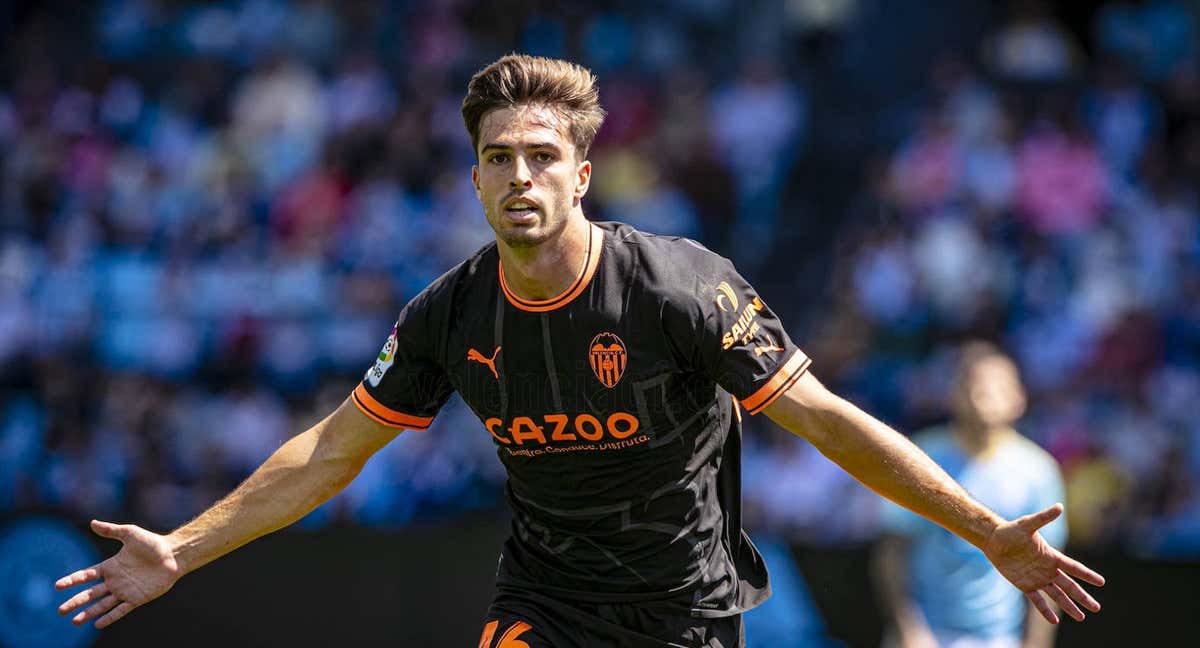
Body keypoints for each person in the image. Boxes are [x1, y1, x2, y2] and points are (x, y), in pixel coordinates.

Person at [55, 55, 1103, 648]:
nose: (520, 176)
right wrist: (181, 551)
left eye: (542, 157)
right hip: (545, 607)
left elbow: (824, 418)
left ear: (583, 174)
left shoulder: (681, 287)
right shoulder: (450, 315)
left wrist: (980, 531)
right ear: (473, 181)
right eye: (496, 158)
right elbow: (328, 454)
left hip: (686, 614)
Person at [874, 342, 1068, 648]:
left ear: (1019, 397)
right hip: (924, 637)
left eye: (997, 385)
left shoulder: (1038, 470)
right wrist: (908, 630)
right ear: (953, 394)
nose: (984, 394)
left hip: (1000, 639)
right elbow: (892, 554)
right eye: (973, 384)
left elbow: (1047, 572)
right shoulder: (920, 458)